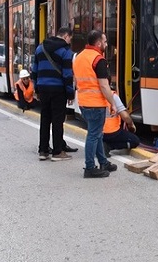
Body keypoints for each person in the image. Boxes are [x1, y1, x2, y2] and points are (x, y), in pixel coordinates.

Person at [73, 30, 118, 178]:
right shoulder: (98, 60)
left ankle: (103, 162)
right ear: (98, 43)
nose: (106, 44)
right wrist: (113, 103)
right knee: (94, 135)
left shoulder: (79, 57)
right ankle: (90, 167)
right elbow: (104, 86)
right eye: (104, 42)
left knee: (97, 133)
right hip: (96, 104)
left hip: (84, 102)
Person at [32, 27, 76, 161]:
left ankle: (43, 150)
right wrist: (70, 94)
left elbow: (34, 71)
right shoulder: (65, 51)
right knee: (57, 120)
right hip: (58, 90)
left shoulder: (40, 48)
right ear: (67, 36)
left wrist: (37, 89)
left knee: (45, 119)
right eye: (70, 38)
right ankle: (58, 152)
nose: (70, 41)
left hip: (43, 88)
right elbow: (67, 75)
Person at [102, 83, 140, 157]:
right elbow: (125, 117)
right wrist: (131, 124)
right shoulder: (113, 96)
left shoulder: (93, 97)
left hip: (97, 132)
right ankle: (109, 146)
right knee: (135, 141)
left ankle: (100, 145)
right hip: (112, 132)